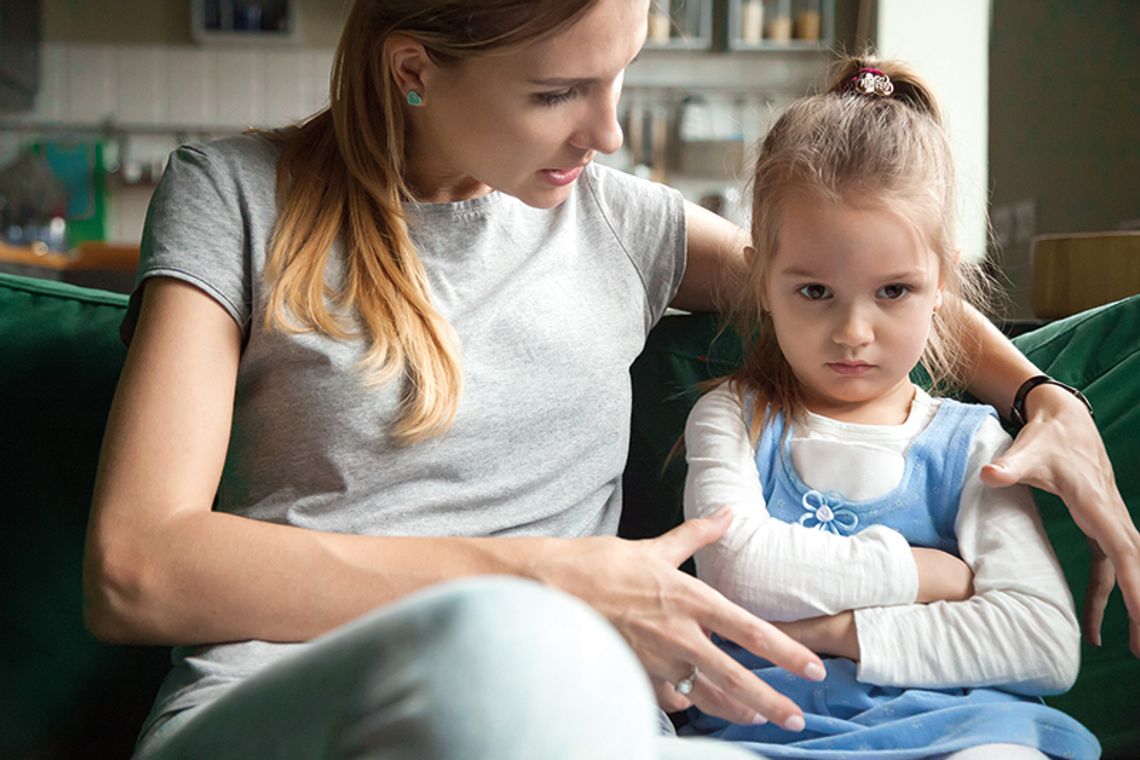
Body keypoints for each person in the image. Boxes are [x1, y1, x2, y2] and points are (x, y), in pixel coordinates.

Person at [79, 0, 1135, 756]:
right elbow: (136, 565)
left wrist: (1043, 396)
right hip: (295, 704)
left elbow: (864, 279)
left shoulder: (617, 220)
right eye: (558, 92)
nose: (610, 131)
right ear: (414, 68)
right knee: (509, 645)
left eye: (618, 74)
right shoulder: (235, 196)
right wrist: (540, 578)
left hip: (586, 720)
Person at [680, 58, 1100, 759]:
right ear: (761, 280)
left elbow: (1042, 641)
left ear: (943, 283)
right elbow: (739, 571)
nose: (853, 332)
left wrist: (831, 632)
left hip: (957, 731)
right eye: (814, 292)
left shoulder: (974, 443)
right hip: (761, 727)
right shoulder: (732, 416)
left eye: (894, 291)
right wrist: (927, 575)